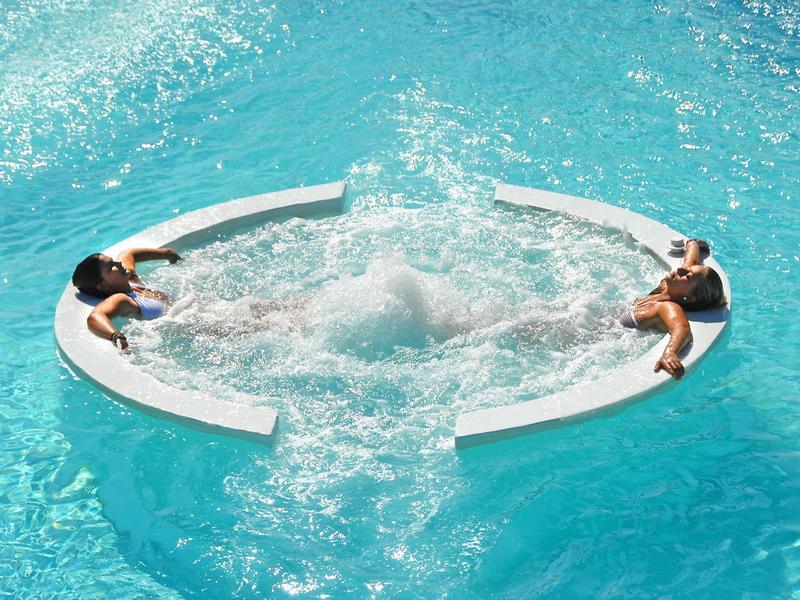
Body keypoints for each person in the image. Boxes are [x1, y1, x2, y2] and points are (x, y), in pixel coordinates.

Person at [617, 238, 725, 380]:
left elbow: (682, 329)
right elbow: (691, 262)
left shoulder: (667, 307)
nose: (681, 269)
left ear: (690, 298)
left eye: (687, 276)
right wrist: (693, 244)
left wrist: (670, 352)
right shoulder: (668, 286)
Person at [71, 248, 181, 350]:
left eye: (113, 261)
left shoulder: (132, 280)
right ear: (103, 285)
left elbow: (128, 253)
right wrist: (116, 336)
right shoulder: (122, 299)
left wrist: (167, 254)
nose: (119, 263)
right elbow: (95, 317)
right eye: (111, 266)